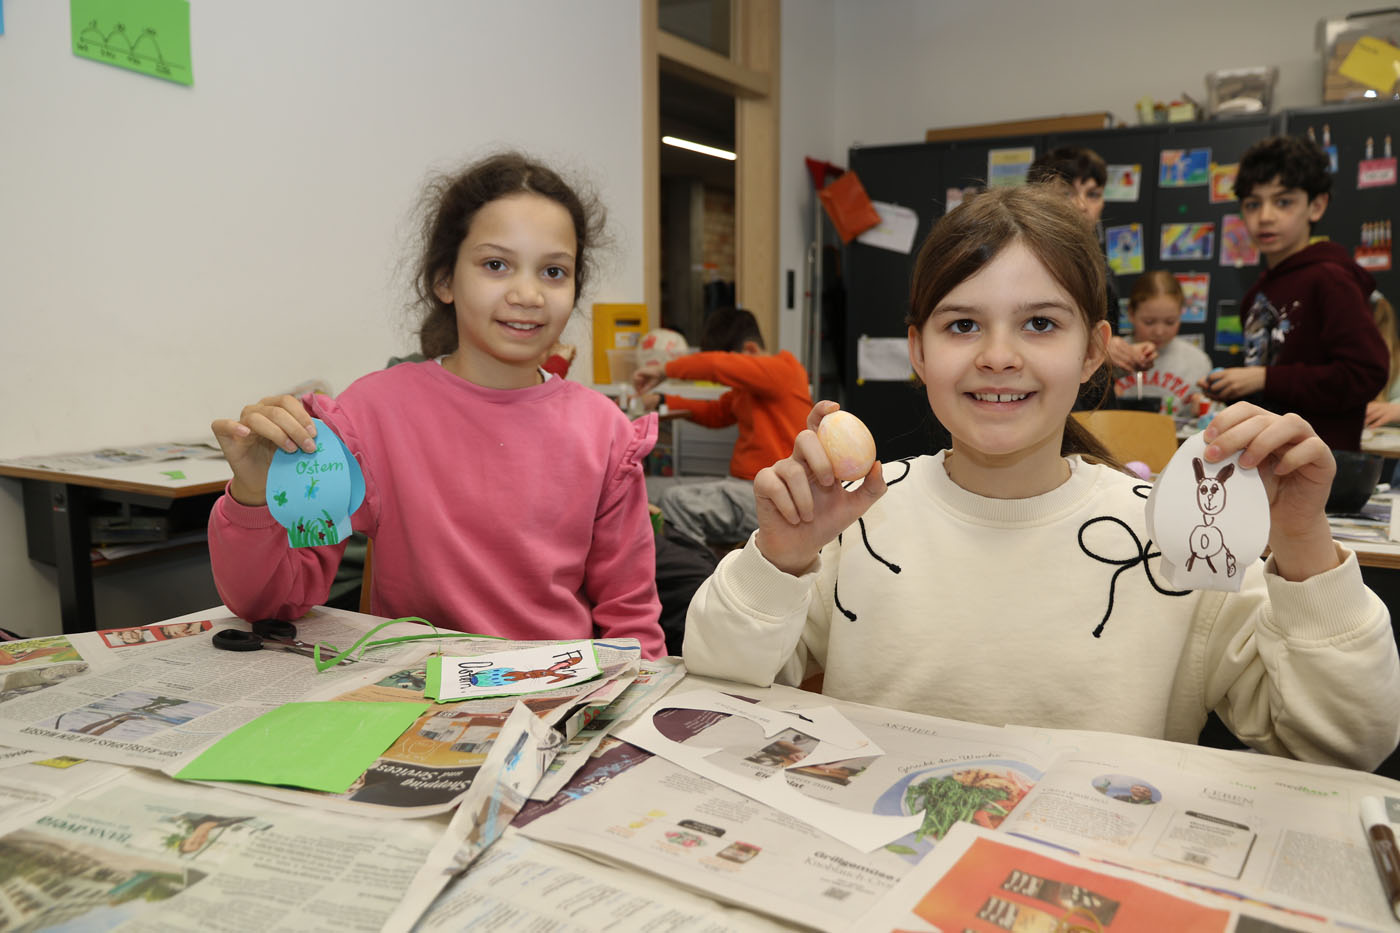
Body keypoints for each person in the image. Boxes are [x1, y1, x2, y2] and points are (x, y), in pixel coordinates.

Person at [681, 185, 1400, 772]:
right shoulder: (859, 512)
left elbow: (1345, 742)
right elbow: (715, 684)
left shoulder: (1178, 529)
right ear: (918, 352)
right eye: (963, 325)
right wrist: (778, 560)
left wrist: (1303, 544)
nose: (998, 355)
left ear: (1094, 351)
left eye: (1040, 324)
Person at [208, 152, 666, 659]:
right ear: (445, 279)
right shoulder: (371, 416)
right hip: (409, 691)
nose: (528, 293)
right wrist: (255, 496)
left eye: (554, 271)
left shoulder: (606, 431)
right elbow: (271, 602)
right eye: (496, 265)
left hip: (557, 690)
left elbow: (632, 619)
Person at [1201, 135, 1389, 451]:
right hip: (1261, 458)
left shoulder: (1331, 279)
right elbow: (1271, 390)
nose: (1265, 216)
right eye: (1253, 204)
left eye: (1283, 202)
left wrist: (1264, 378)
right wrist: (1232, 386)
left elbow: (1365, 373)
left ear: (1316, 206)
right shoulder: (1256, 294)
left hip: (1319, 462)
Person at [633, 307, 812, 546]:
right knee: (643, 488)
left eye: (735, 362)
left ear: (750, 350)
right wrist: (662, 400)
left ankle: (695, 568)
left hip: (777, 495)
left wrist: (665, 370)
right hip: (741, 486)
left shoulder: (784, 370)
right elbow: (716, 414)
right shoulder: (748, 389)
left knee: (677, 501)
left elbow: (717, 366)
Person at [1027, 146, 1155, 386]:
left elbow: (1100, 350)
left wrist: (1126, 355)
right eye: (1066, 194)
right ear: (1037, 201)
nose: (1081, 205)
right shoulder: (1027, 264)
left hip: (1098, 400)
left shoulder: (1098, 263)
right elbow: (1026, 344)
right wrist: (1096, 349)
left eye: (1093, 194)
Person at [1112, 270, 1212, 407]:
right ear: (1131, 313)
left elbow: (1203, 411)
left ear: (1180, 314)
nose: (1159, 332)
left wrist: (1200, 407)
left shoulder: (1198, 362)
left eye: (1170, 322)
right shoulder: (1114, 355)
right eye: (1149, 322)